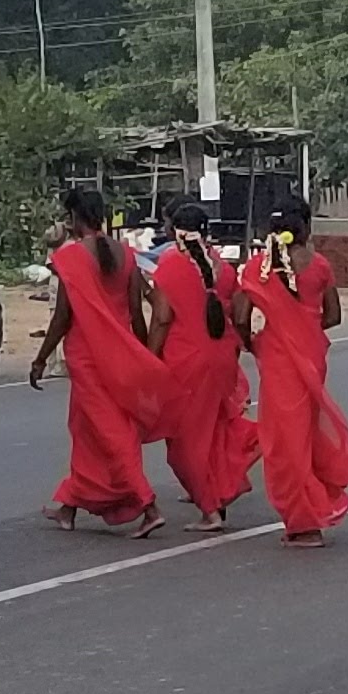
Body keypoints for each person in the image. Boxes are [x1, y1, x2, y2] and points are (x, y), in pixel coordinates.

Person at [25, 184, 166, 535]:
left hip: (87, 359)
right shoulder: (126, 254)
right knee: (87, 430)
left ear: (75, 218)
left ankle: (148, 505)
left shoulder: (72, 257)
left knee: (109, 432)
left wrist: (41, 358)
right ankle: (69, 506)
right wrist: (142, 354)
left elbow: (62, 317)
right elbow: (136, 313)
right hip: (121, 355)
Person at [237, 202, 348, 545]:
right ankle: (307, 515)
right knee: (304, 435)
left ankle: (306, 523)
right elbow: (333, 315)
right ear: (304, 230)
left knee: (284, 444)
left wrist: (257, 342)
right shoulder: (319, 265)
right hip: (311, 359)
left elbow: (240, 317)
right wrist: (303, 330)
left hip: (277, 364)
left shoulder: (257, 269)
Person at [148, 213, 256, 529]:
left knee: (185, 442)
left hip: (186, 360)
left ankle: (210, 510)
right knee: (214, 433)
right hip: (222, 357)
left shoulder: (170, 265)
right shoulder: (223, 268)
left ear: (174, 232)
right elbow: (235, 313)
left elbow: (162, 317)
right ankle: (219, 494)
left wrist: (149, 358)